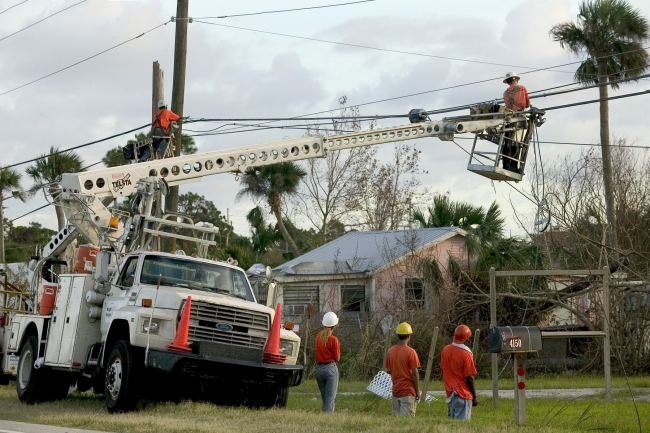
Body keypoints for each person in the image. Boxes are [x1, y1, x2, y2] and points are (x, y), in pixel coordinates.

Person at [440, 325, 478, 421]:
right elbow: (469, 378)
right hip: (463, 395)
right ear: (467, 339)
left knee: (452, 427)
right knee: (462, 427)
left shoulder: (445, 350)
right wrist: (474, 397)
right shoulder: (466, 354)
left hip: (450, 394)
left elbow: (443, 369)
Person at [385, 322, 420, 417]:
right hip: (408, 392)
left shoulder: (390, 351)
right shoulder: (411, 352)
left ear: (398, 335)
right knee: (405, 423)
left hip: (396, 391)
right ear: (409, 335)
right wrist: (417, 392)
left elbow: (390, 370)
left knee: (396, 423)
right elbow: (415, 373)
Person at [501, 72, 530, 173]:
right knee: (516, 142)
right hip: (519, 118)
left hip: (508, 117)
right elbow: (527, 104)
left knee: (506, 140)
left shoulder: (505, 93)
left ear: (508, 82)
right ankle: (513, 165)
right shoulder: (522, 88)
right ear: (515, 79)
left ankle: (505, 164)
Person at [315, 311, 340, 413]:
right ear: (335, 325)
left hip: (319, 370)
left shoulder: (318, 336)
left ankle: (324, 416)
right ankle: (328, 420)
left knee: (325, 398)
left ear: (323, 323)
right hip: (330, 368)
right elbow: (337, 357)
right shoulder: (334, 339)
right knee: (330, 399)